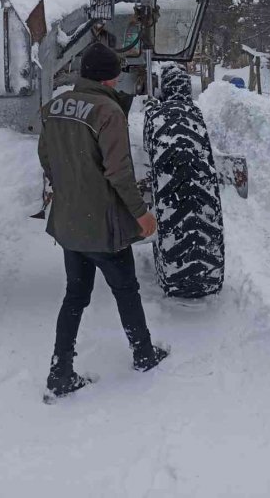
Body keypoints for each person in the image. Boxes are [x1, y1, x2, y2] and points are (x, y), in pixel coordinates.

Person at [38, 42, 169, 400]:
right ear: (110, 78)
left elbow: (47, 161)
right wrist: (141, 213)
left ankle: (60, 370)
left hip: (69, 222)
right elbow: (120, 172)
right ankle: (143, 353)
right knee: (126, 290)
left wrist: (73, 189)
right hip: (103, 224)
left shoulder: (53, 108)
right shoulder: (108, 111)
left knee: (74, 296)